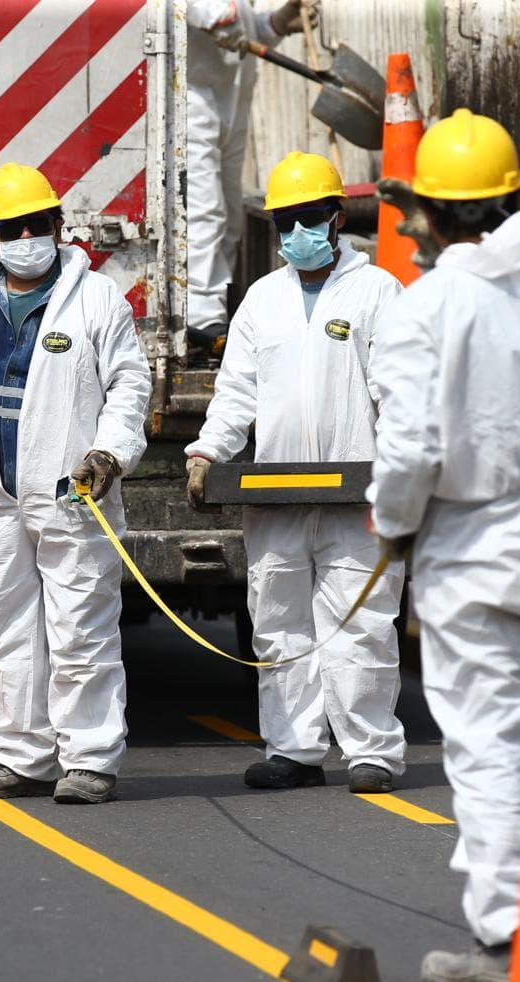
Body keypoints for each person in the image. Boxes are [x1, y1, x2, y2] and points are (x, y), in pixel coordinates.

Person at [368, 109, 520, 982]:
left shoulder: (422, 308)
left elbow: (410, 451)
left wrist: (392, 523)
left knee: (487, 742)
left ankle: (508, 937)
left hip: (473, 542)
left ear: (427, 212)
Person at [185, 152, 407, 793]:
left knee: (361, 624)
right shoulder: (262, 300)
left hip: (357, 499)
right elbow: (236, 396)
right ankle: (294, 750)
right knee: (279, 619)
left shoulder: (376, 293)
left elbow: (397, 394)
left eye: (309, 219)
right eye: (286, 223)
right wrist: (207, 453)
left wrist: (398, 470)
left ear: (338, 219)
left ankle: (370, 751)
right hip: (277, 497)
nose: (297, 234)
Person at [0, 162, 152, 805]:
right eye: (11, 228)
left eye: (37, 224)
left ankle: (88, 759)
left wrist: (108, 454)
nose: (26, 236)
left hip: (72, 492)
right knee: (4, 629)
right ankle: (19, 757)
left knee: (81, 624)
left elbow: (129, 386)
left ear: (58, 226)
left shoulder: (97, 299)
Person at [185, 0, 308, 363]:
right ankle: (202, 316)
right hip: (192, 92)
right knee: (204, 209)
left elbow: (242, 26)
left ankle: (218, 311)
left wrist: (275, 23)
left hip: (230, 98)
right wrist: (214, 16)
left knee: (229, 212)